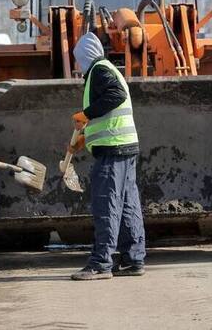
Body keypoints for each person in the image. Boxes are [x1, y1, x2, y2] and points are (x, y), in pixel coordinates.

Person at [69, 32, 146, 280]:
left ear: (85, 56)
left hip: (113, 151)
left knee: (107, 204)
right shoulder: (106, 69)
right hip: (123, 147)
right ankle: (133, 259)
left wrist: (87, 114)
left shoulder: (99, 71)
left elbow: (115, 96)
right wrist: (85, 137)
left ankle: (101, 262)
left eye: (78, 60)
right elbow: (111, 111)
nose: (77, 65)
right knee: (127, 205)